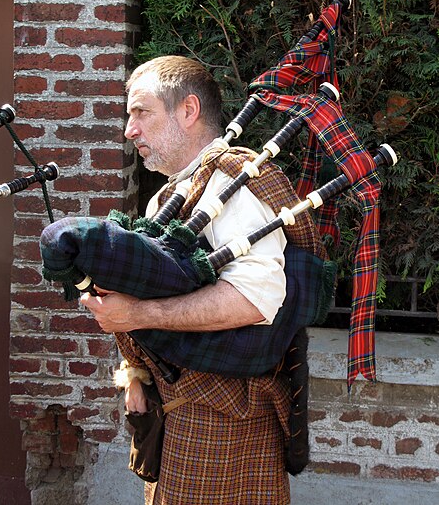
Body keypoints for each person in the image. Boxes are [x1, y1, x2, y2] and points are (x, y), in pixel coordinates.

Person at [81, 55, 320, 504]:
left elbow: (256, 297)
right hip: (181, 412)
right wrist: (133, 372)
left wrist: (136, 313)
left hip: (226, 422)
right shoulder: (173, 196)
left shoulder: (232, 184)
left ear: (188, 111)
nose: (130, 130)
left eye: (142, 112)